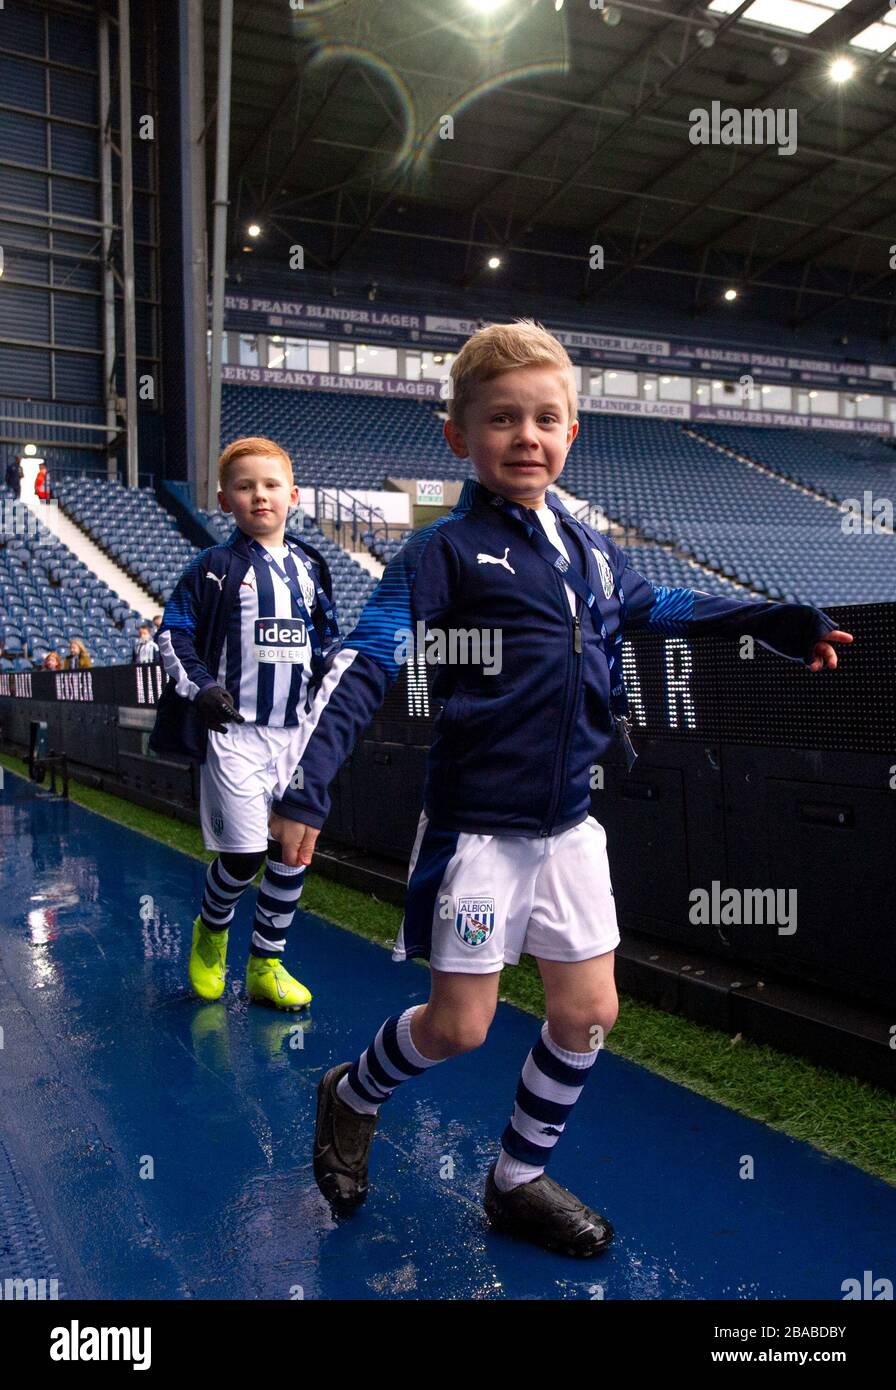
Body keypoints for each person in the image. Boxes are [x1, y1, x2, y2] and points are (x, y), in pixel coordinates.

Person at [266, 319, 854, 1257]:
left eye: (546, 418)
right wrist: (308, 785)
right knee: (461, 1027)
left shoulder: (592, 551)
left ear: (572, 432)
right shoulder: (441, 553)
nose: (527, 436)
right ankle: (351, 1091)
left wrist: (773, 619)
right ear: (458, 434)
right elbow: (365, 659)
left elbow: (661, 606)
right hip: (478, 838)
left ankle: (517, 1179)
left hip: (573, 830)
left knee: (588, 1016)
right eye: (502, 418)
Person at [148, 436, 341, 1011]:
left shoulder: (311, 566)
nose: (260, 495)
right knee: (242, 856)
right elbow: (174, 634)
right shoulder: (212, 568)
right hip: (236, 736)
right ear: (224, 499)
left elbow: (326, 643)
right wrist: (202, 688)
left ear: (293, 495)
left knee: (294, 851)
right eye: (245, 486)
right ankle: (211, 936)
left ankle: (267, 963)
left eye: (271, 485)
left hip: (297, 736)